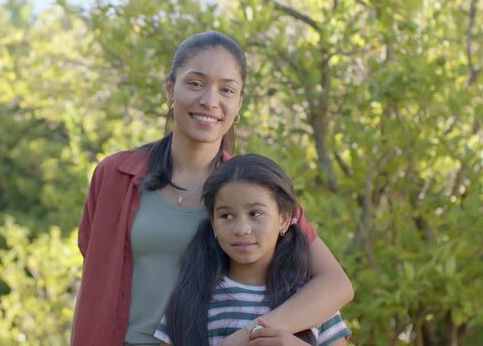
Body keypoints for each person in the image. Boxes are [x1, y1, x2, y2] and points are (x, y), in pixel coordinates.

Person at [72, 31, 353, 346]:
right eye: (195, 83)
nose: (209, 101)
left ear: (239, 103)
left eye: (227, 89)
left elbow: (336, 285)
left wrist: (244, 338)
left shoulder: (252, 188)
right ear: (170, 88)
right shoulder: (115, 175)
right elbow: (94, 280)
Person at [154, 154, 351, 346]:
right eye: (227, 216)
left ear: (283, 220)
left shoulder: (312, 302)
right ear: (213, 224)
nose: (241, 229)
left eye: (255, 213)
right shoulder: (191, 300)